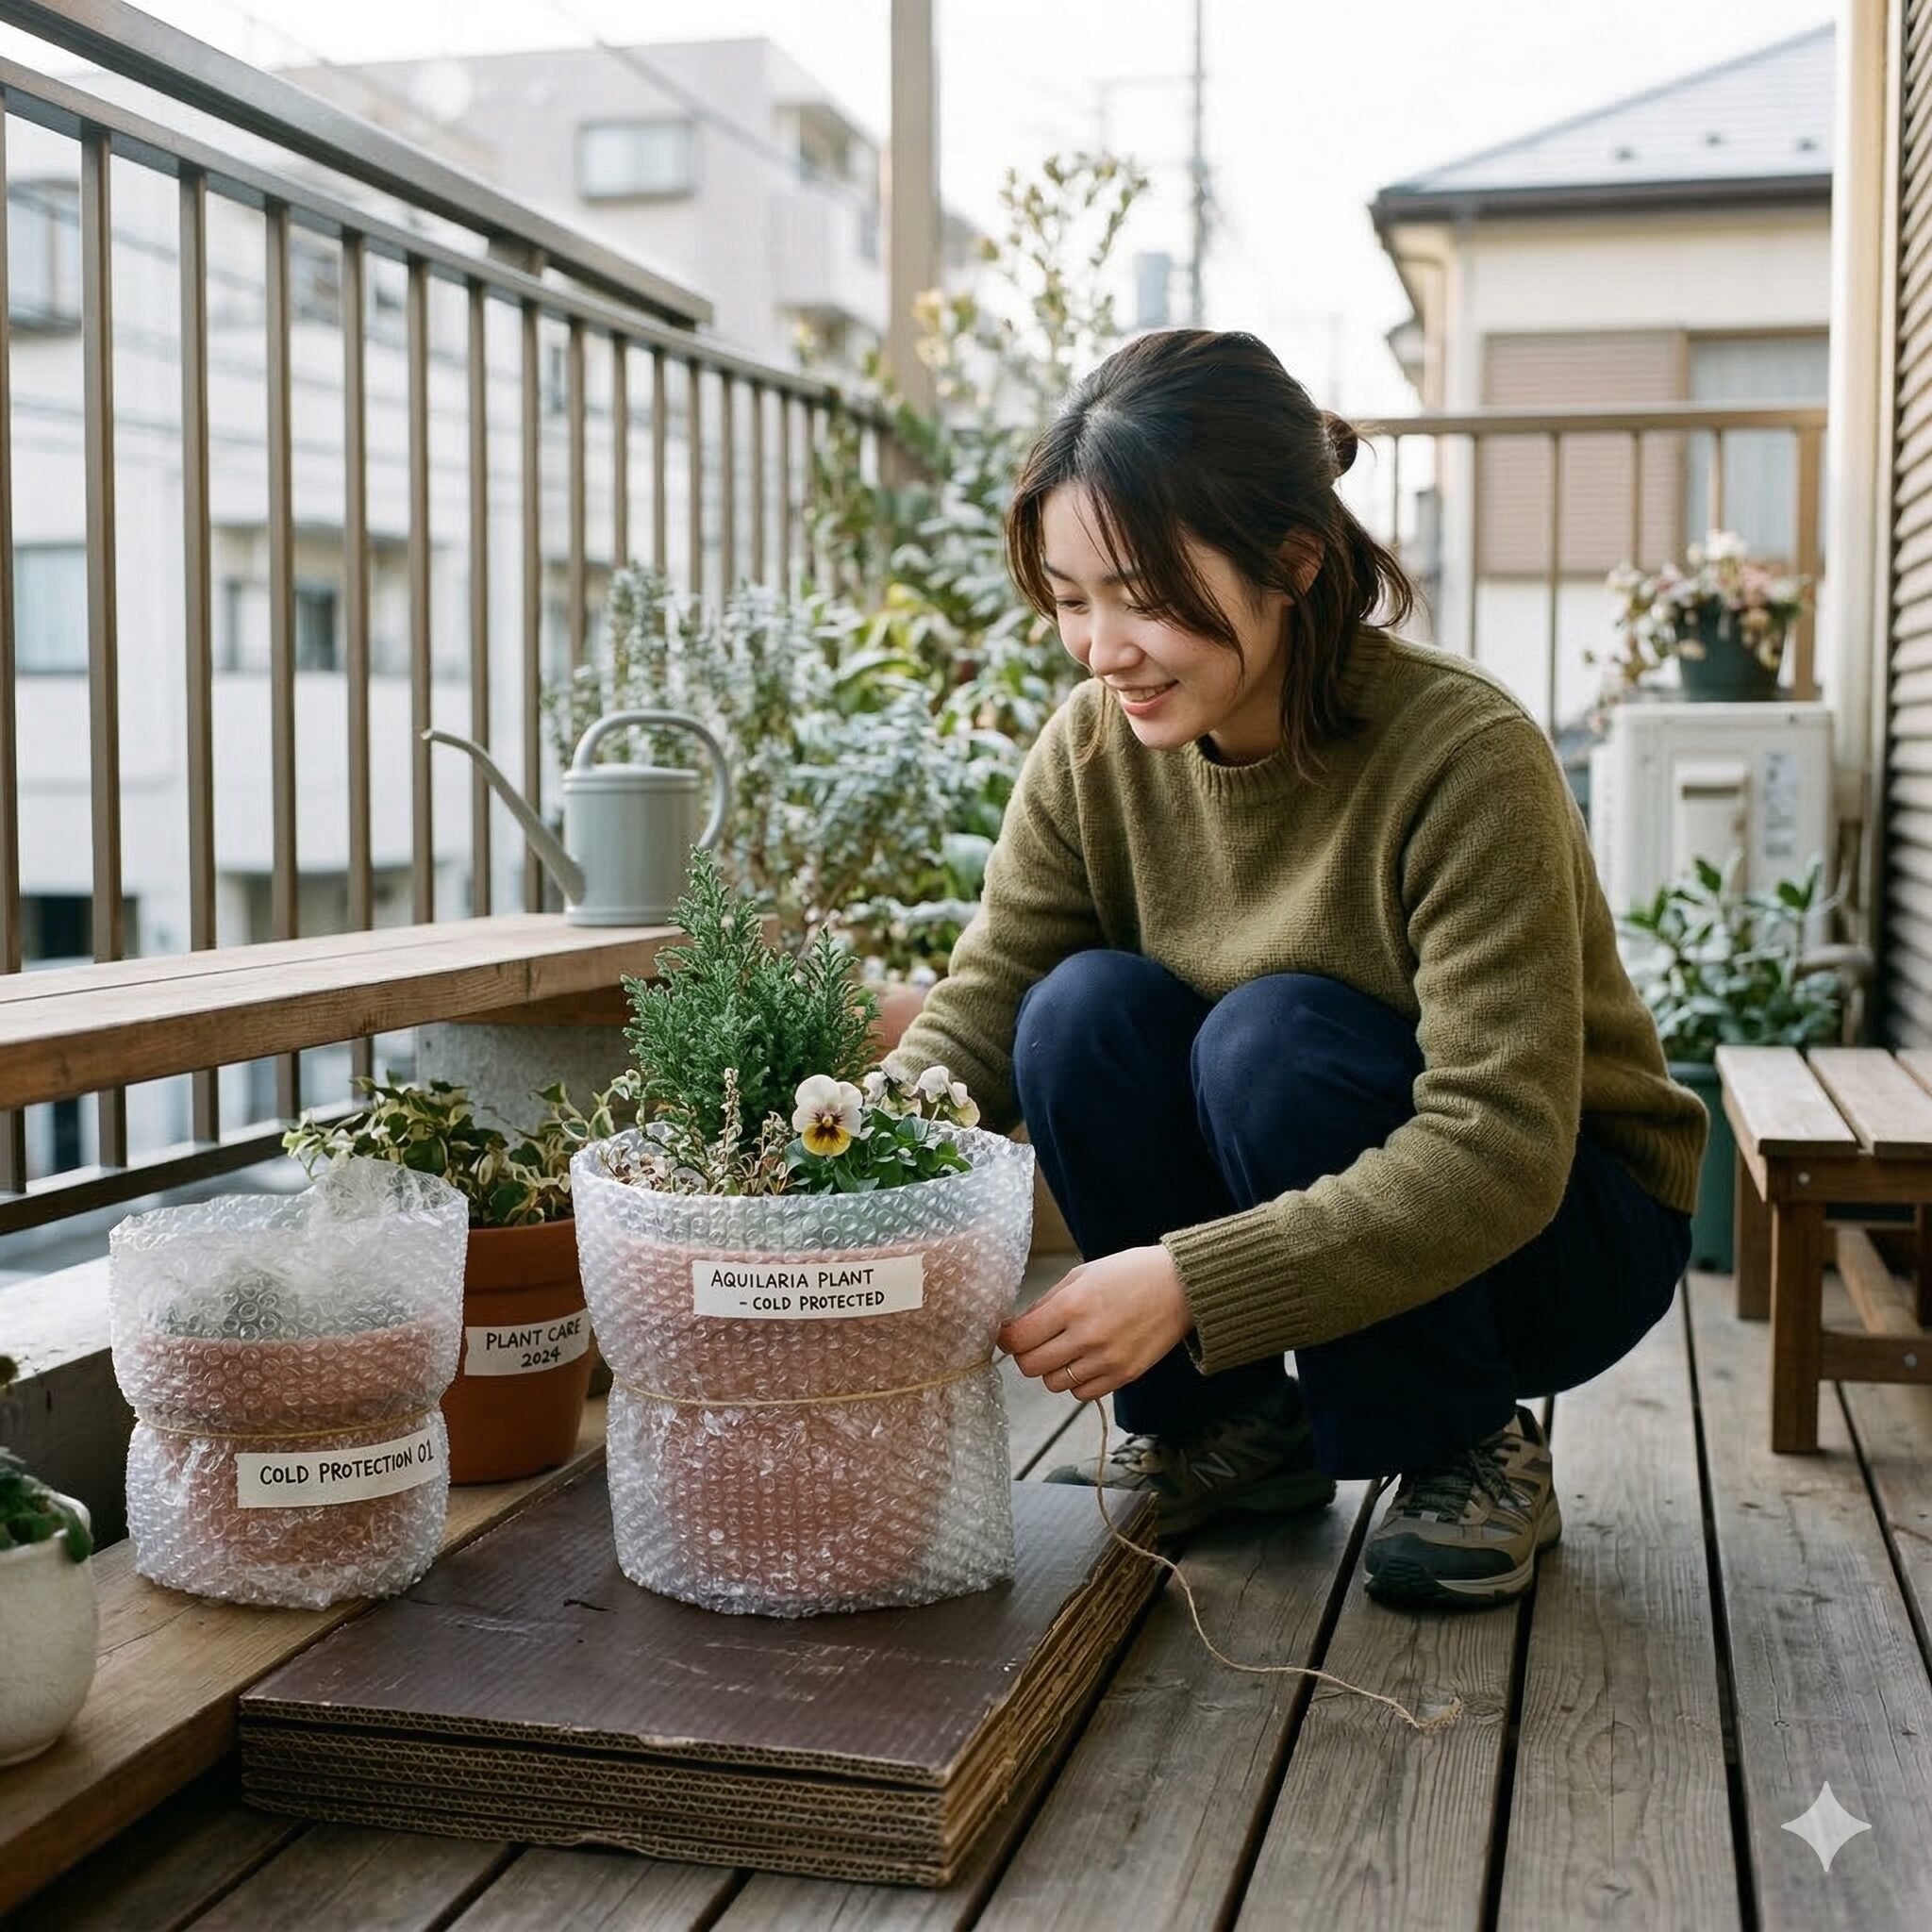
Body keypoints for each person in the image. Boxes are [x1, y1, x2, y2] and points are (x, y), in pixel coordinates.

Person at [891, 327, 1705, 1611]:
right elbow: (987, 999)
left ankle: (1462, 1440)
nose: (1102, 649)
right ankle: (1226, 1433)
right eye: (1069, 598)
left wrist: (1191, 1280)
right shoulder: (1096, 749)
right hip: (1303, 1167)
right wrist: (852, 1158)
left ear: (1293, 562)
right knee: (1077, 1013)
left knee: (1269, 1036)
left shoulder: (1461, 755)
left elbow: (1500, 1146)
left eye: (1144, 594)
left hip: (1560, 1230)